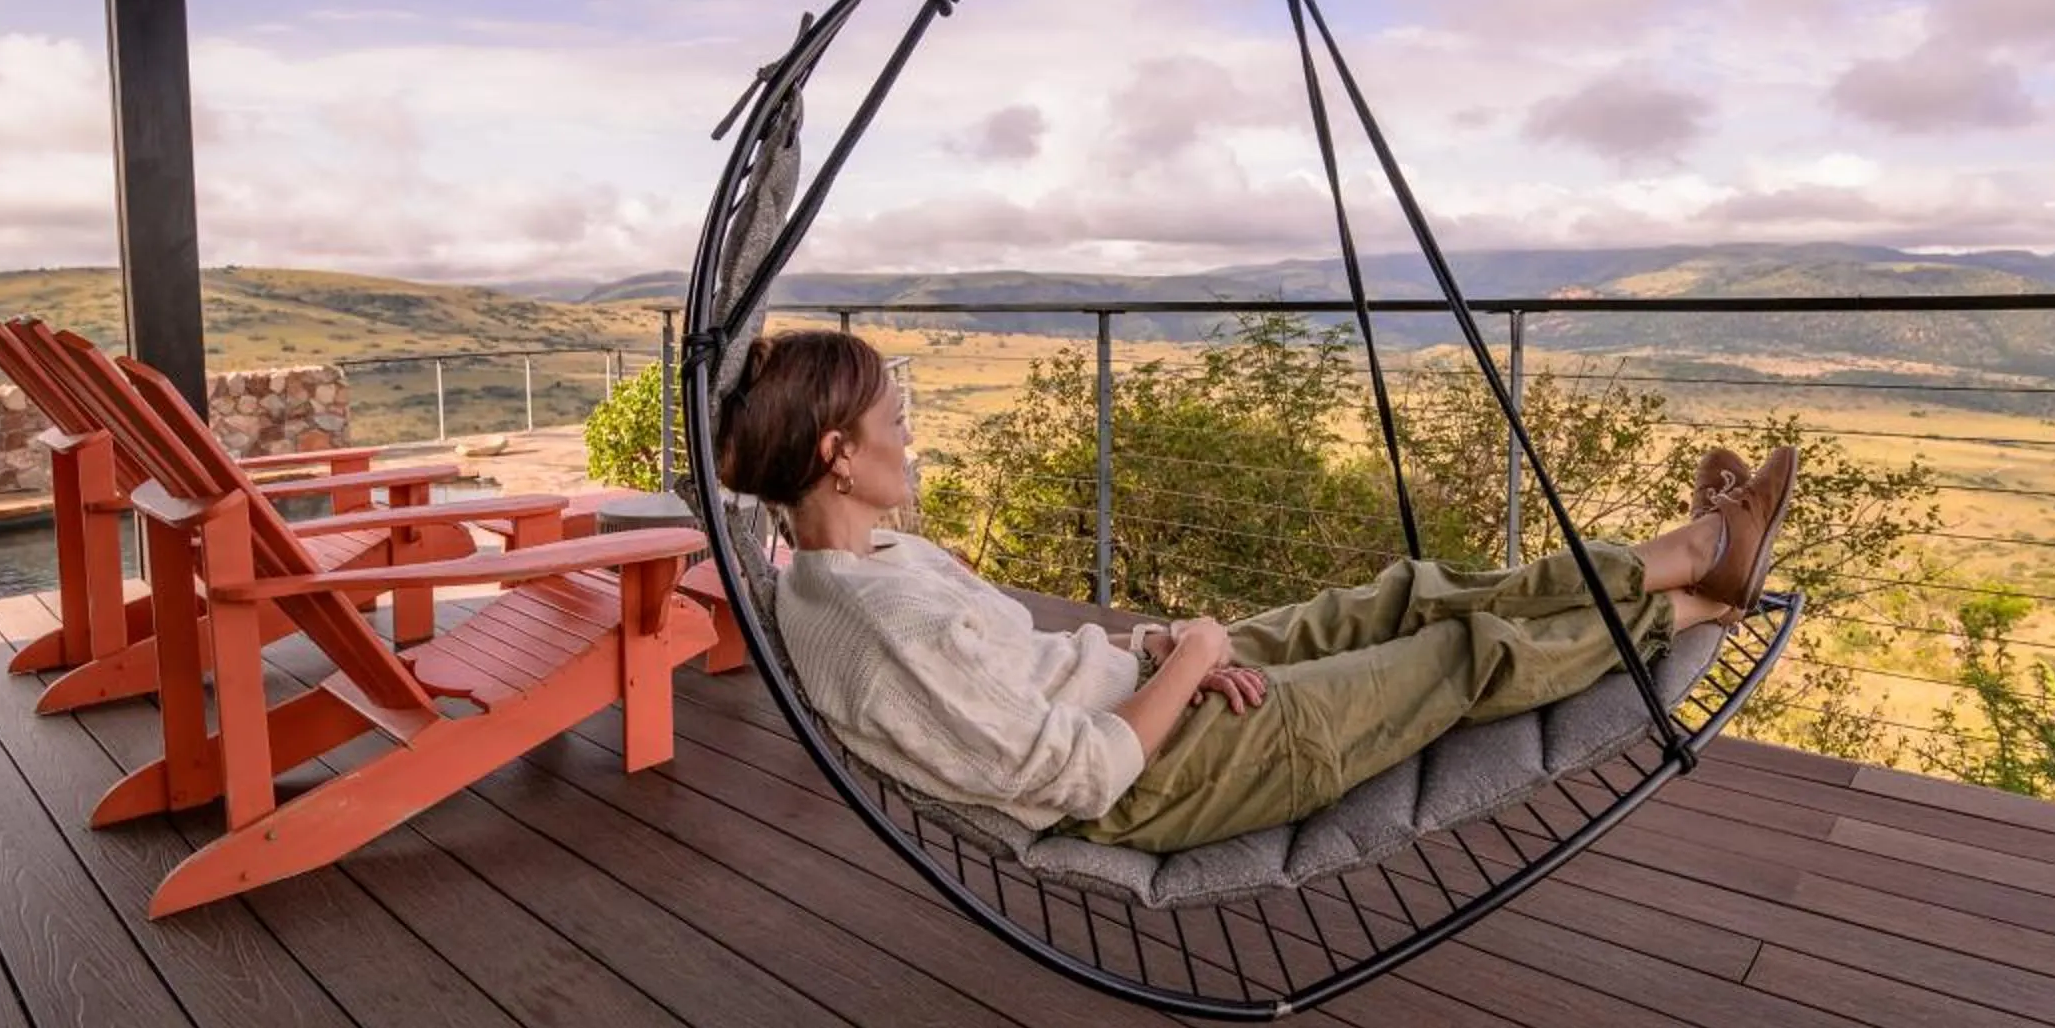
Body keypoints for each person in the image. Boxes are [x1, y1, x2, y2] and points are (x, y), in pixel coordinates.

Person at [716, 330, 1794, 854]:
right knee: (1454, 654)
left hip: (1153, 695)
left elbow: (1035, 672)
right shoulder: (878, 623)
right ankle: (1687, 598)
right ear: (836, 455)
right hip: (1168, 772)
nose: (910, 432)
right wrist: (1187, 664)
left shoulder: (856, 567)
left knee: (1406, 592)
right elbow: (1083, 774)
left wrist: (1160, 652)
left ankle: (1687, 553)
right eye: (892, 421)